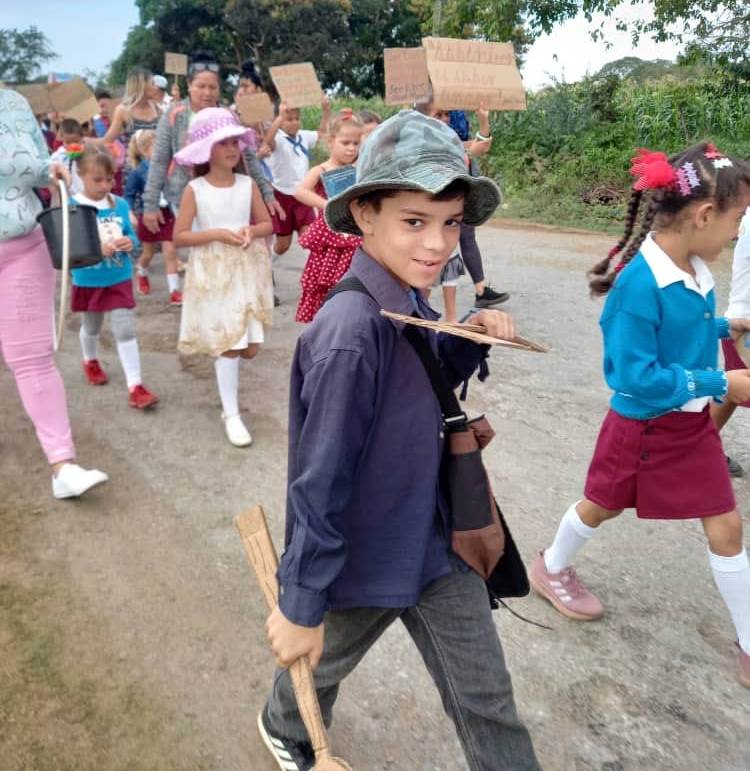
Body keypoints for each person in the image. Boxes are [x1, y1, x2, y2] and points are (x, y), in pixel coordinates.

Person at [258, 111, 540, 771]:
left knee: (487, 699)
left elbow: (426, 380)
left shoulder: (410, 294)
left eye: (450, 223)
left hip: (440, 539)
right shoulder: (350, 331)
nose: (438, 243)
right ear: (365, 214)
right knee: (323, 659)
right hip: (371, 544)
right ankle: (282, 721)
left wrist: (468, 339)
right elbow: (320, 479)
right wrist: (300, 600)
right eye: (415, 221)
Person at [529, 144, 750, 688]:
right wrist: (721, 381)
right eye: (738, 221)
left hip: (690, 429)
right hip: (641, 429)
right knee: (600, 506)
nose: (738, 235)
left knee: (726, 524)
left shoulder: (694, 266)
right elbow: (633, 377)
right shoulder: (637, 287)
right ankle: (551, 566)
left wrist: (725, 327)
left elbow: (685, 335)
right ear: (703, 216)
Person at [0, 88, 108, 499]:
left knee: (33, 357)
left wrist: (55, 167)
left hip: (23, 242)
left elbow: (39, 163)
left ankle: (62, 466)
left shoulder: (13, 103)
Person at [172, 108, 274, 448]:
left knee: (250, 348)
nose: (232, 149)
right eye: (223, 143)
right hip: (215, 274)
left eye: (235, 142)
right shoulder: (195, 190)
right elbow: (181, 236)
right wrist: (214, 233)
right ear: (206, 149)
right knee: (230, 345)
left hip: (247, 269)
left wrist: (250, 230)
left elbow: (267, 224)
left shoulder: (247, 184)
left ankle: (229, 393)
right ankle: (231, 413)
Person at [142, 51, 282, 236]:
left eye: (212, 87)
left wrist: (266, 193)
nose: (207, 93)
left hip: (227, 194)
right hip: (185, 195)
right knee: (202, 247)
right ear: (189, 85)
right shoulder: (174, 115)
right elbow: (159, 160)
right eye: (201, 86)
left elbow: (248, 156)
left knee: (231, 243)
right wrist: (151, 204)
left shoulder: (228, 116)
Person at [71, 145, 158, 410]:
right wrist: (97, 249)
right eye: (97, 180)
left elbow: (132, 235)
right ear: (81, 175)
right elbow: (71, 248)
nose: (104, 185)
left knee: (125, 328)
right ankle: (90, 359)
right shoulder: (73, 207)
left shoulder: (119, 204)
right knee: (92, 326)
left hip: (119, 275)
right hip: (89, 278)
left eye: (109, 179)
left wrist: (129, 243)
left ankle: (136, 385)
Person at [416, 101, 510, 309]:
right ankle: (417, 306)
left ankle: (450, 313)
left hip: (452, 208)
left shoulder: (451, 141)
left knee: (451, 256)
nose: (444, 119)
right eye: (438, 115)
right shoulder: (420, 143)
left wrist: (483, 119)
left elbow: (480, 145)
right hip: (432, 213)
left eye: (446, 114)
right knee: (432, 258)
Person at [293, 108, 363, 322]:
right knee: (325, 280)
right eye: (345, 143)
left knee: (356, 281)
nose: (351, 149)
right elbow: (300, 192)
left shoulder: (359, 169)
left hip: (355, 233)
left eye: (356, 143)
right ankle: (327, 324)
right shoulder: (321, 170)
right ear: (331, 141)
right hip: (329, 235)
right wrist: (327, 204)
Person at [261, 97, 331, 264]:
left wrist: (326, 111)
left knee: (311, 239)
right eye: (289, 119)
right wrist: (279, 118)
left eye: (296, 119)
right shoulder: (277, 138)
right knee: (283, 245)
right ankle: (267, 264)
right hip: (281, 196)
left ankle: (315, 276)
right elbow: (267, 142)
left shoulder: (304, 136)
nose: (293, 123)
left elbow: (321, 135)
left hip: (302, 196)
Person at [712, 206, 750, 477]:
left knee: (733, 387)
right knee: (733, 385)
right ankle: (692, 450)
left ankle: (695, 448)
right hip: (745, 324)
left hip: (740, 320)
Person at [124, 129, 181, 305]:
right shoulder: (138, 172)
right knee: (148, 253)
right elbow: (129, 194)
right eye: (155, 147)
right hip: (147, 215)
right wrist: (130, 213)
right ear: (144, 150)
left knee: (170, 253)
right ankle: (142, 271)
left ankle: (175, 291)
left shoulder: (169, 167)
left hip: (166, 214)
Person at [49, 118, 86, 194]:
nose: (72, 145)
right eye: (68, 142)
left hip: (86, 194)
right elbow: (51, 172)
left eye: (76, 141)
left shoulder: (87, 152)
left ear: (82, 138)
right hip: (69, 195)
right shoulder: (57, 156)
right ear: (61, 139)